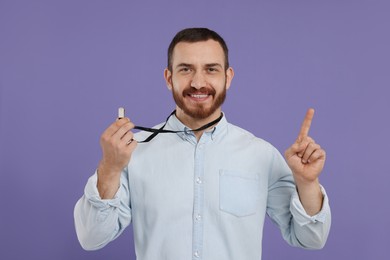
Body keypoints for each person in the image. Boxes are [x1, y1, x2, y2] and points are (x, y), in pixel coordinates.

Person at [74, 28, 331, 260]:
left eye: (211, 69)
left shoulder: (261, 155)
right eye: (186, 69)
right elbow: (92, 238)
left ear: (228, 77)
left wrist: (307, 183)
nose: (198, 83)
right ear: (168, 77)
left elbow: (311, 239)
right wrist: (110, 167)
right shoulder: (132, 152)